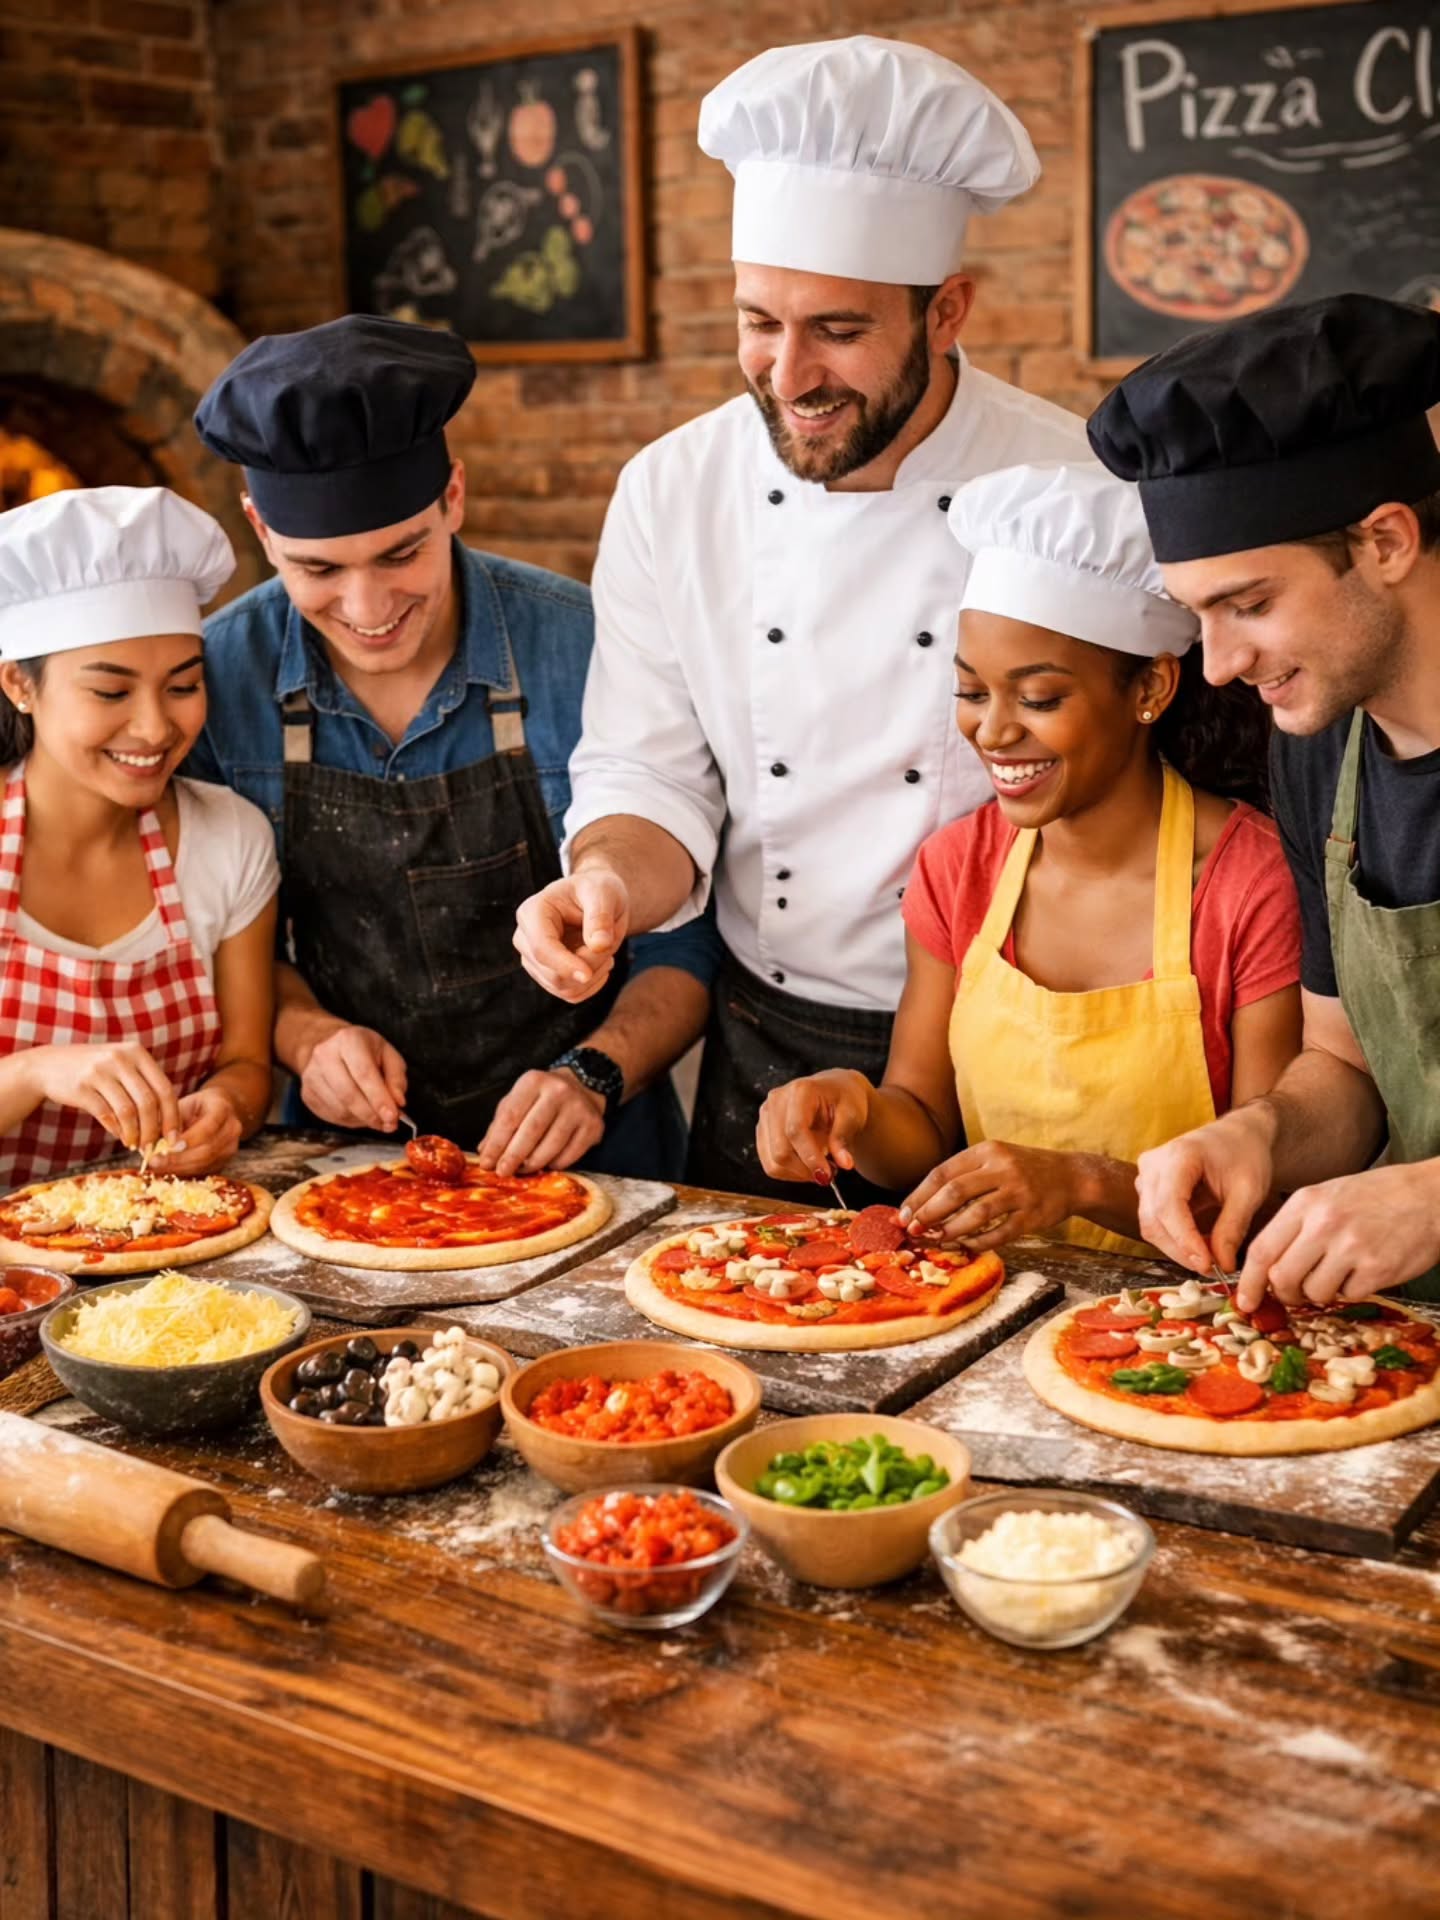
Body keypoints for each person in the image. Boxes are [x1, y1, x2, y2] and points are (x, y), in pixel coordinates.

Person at [513, 35, 1092, 1202]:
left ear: (947, 311)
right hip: (766, 1032)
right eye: (758, 322)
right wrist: (612, 886)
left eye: (838, 330)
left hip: (1016, 1041)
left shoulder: (1073, 490)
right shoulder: (672, 493)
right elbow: (648, 770)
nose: (786, 375)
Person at [189, 314, 716, 1179]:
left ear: (454, 498)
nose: (365, 607)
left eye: (401, 554)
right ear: (259, 528)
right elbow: (226, 943)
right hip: (341, 1166)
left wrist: (593, 1073)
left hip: (599, 1155)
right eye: (317, 570)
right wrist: (307, 1037)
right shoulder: (216, 679)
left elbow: (684, 945)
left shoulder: (588, 645)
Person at [755, 462, 1300, 1253]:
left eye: (1039, 698)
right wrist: (858, 1109)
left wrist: (1078, 1183)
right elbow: (926, 1120)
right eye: (972, 692)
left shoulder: (1250, 884)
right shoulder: (958, 869)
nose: (993, 731)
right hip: (992, 1307)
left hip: (1196, 1324)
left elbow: (1273, 1194)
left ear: (1150, 686)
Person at [1088, 292, 1440, 1305]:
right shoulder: (1317, 746)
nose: (1223, 663)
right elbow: (1346, 1064)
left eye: (1250, 604)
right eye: (1201, 615)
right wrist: (1259, 1133)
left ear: (1385, 542)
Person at [0, 486, 278, 1182]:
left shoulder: (230, 839)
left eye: (182, 686)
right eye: (111, 692)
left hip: (165, 1249)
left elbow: (247, 1064)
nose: (155, 728)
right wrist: (34, 1072)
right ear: (19, 685)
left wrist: (226, 1109)